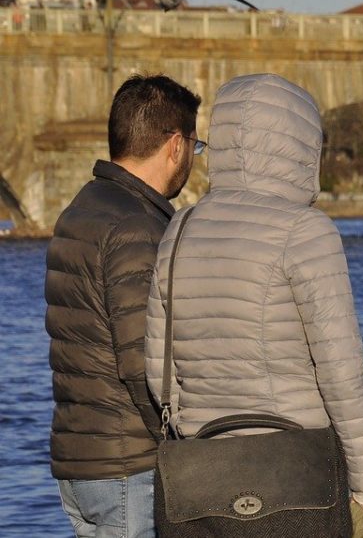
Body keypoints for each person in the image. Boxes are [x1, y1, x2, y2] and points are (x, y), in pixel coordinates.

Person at [143, 73, 363, 535]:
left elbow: (158, 368)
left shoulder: (181, 228)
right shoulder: (307, 231)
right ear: (301, 145)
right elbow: (342, 371)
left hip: (201, 475)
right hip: (299, 474)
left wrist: (195, 422)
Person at [45, 74, 202, 538]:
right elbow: (143, 362)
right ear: (175, 144)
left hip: (81, 461)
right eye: (197, 144)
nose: (194, 157)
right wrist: (183, 443)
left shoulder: (83, 208)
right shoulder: (136, 226)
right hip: (127, 466)